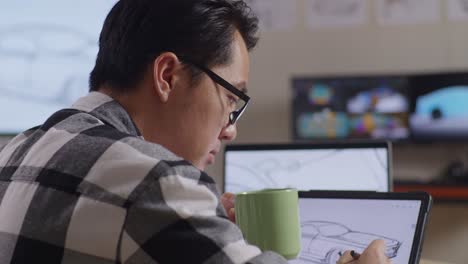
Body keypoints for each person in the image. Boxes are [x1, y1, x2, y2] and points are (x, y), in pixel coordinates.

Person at [0, 0, 390, 263]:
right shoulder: (154, 181)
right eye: (232, 99)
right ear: (167, 75)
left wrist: (205, 229)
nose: (230, 130)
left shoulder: (16, 151)